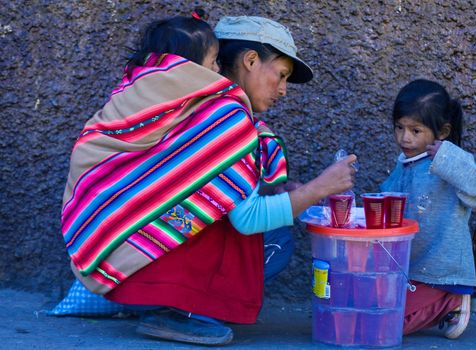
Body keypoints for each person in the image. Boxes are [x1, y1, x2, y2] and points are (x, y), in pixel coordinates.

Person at [61, 13, 357, 346]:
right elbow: (246, 219)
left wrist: (295, 194)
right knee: (277, 239)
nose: (284, 91)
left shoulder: (178, 106)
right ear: (250, 60)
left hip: (121, 262)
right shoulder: (226, 115)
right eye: (282, 75)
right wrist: (321, 188)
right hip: (146, 270)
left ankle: (157, 301)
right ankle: (182, 313)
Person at [380, 79, 476, 339]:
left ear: (441, 132)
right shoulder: (405, 164)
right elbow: (385, 200)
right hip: (410, 270)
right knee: (374, 311)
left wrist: (447, 156)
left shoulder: (447, 164)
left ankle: (452, 303)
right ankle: (441, 307)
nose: (404, 137)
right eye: (399, 127)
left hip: (441, 273)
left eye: (415, 130)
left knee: (388, 324)